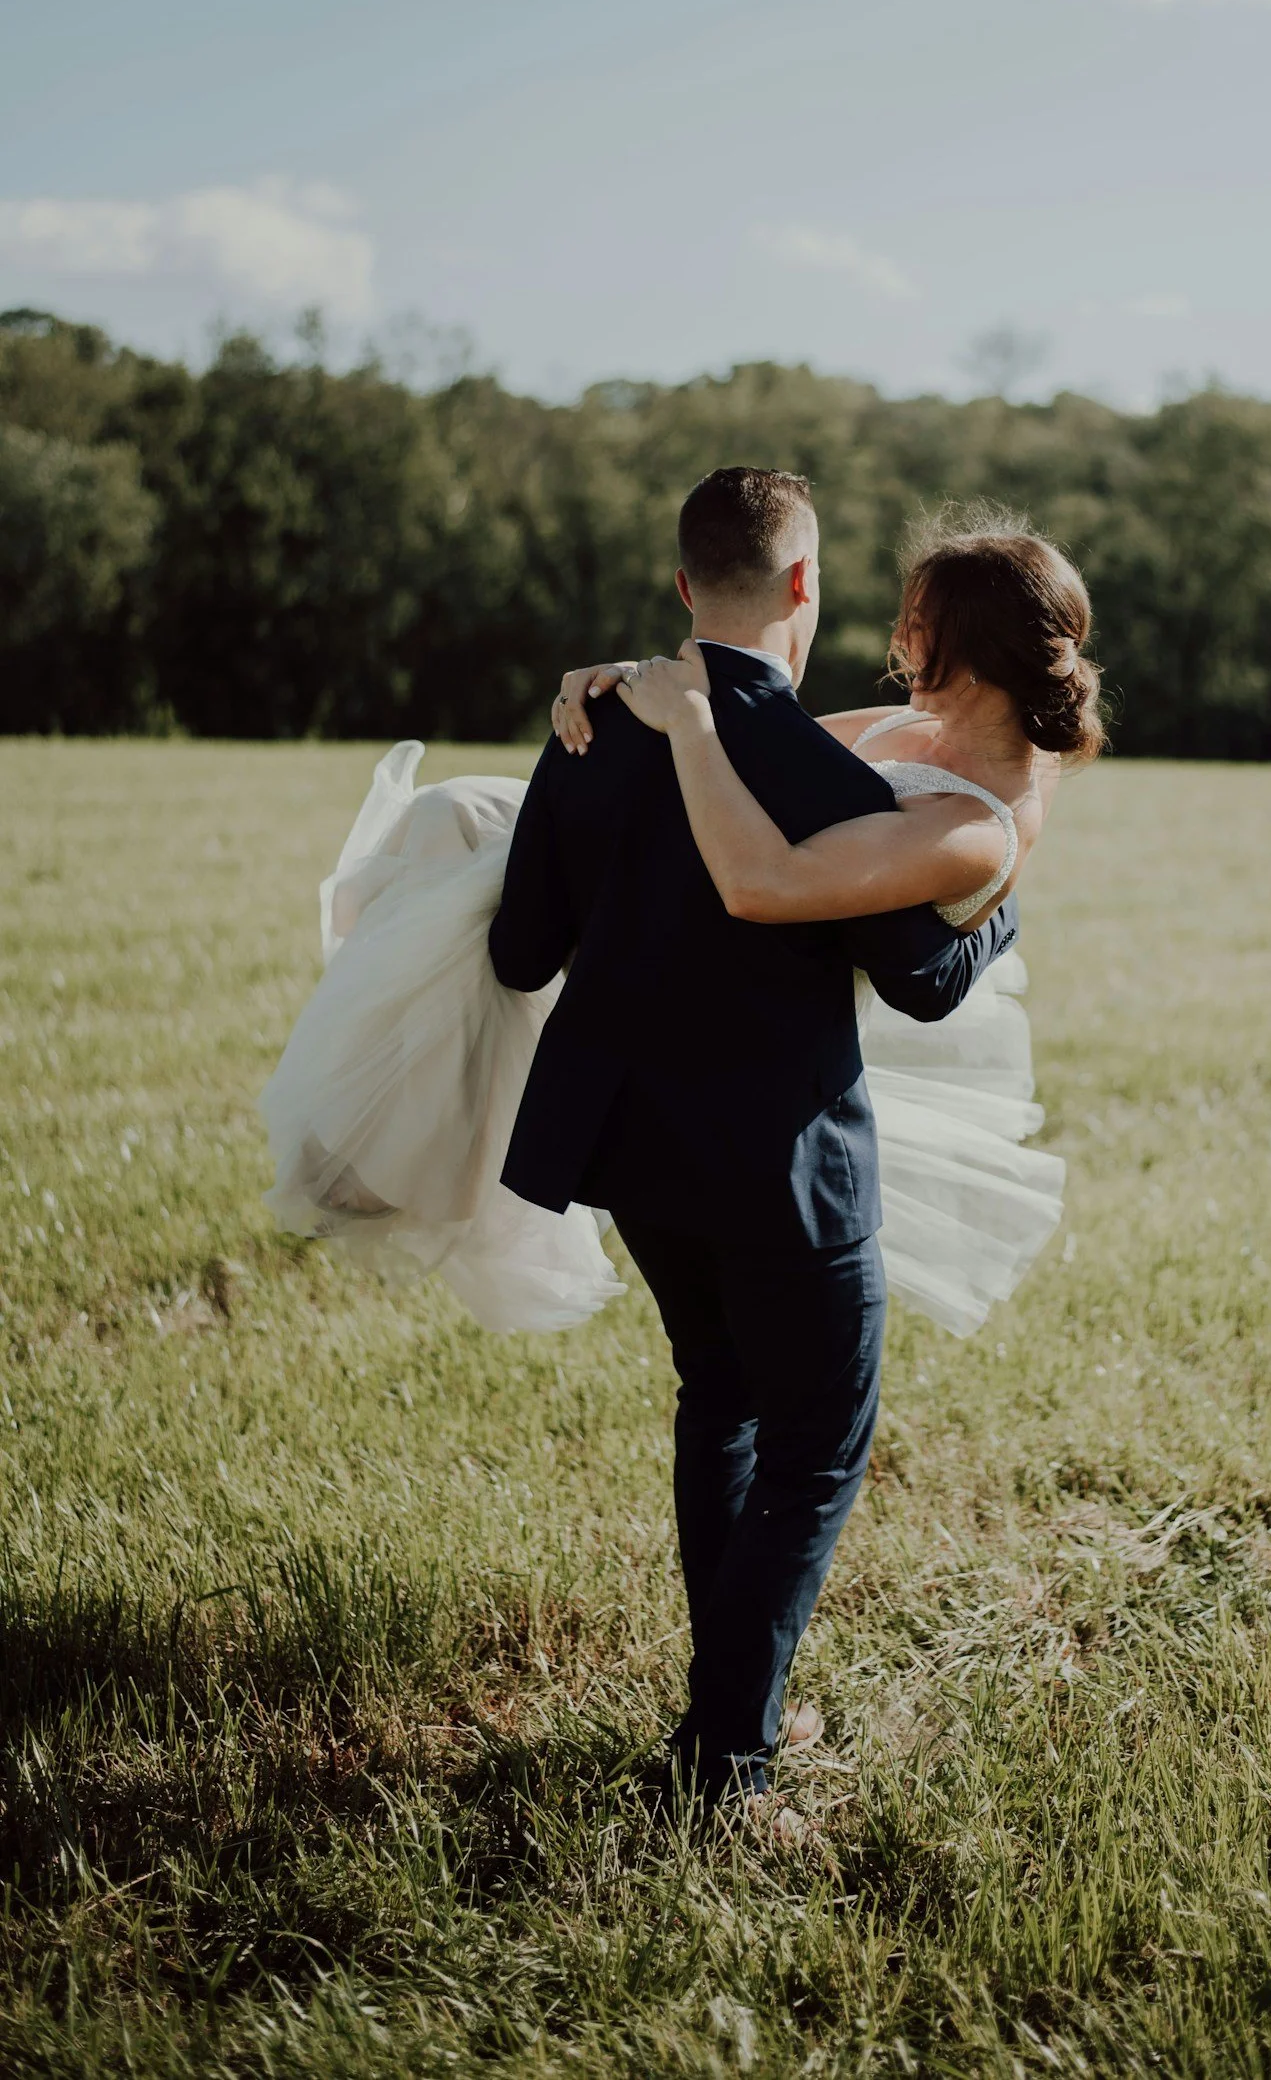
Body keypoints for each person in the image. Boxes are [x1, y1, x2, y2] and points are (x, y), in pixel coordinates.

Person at [262, 469, 1059, 1808]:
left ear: (689, 586)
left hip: (627, 1149)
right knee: (818, 1444)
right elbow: (917, 973)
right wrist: (1005, 903)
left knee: (722, 1402)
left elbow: (522, 952)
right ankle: (726, 1758)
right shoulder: (824, 778)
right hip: (779, 1165)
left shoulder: (598, 726)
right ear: (806, 586)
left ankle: (721, 1708)